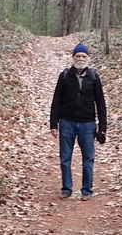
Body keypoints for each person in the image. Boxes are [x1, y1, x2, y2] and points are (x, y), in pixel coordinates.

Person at [50, 42, 107, 201]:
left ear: (88, 58)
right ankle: (66, 189)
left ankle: (86, 191)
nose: (80, 59)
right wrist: (53, 124)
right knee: (65, 158)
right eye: (78, 56)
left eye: (83, 56)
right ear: (73, 58)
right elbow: (56, 100)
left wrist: (102, 127)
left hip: (88, 124)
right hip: (67, 122)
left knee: (88, 159)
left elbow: (100, 103)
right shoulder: (64, 76)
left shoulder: (94, 77)